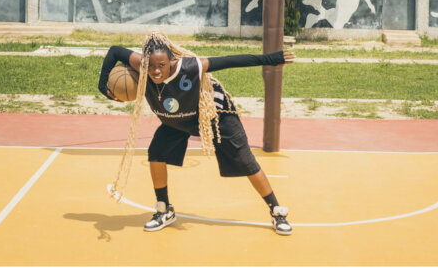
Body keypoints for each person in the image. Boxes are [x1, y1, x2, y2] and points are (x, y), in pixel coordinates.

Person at [98, 31, 296, 233]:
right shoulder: (141, 65)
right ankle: (164, 209)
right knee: (156, 153)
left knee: (245, 161)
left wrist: (270, 60)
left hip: (213, 114)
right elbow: (114, 51)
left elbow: (231, 61)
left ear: (171, 62)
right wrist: (103, 86)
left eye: (162, 65)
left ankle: (277, 212)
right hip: (177, 119)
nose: (156, 71)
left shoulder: (189, 67)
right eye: (151, 66)